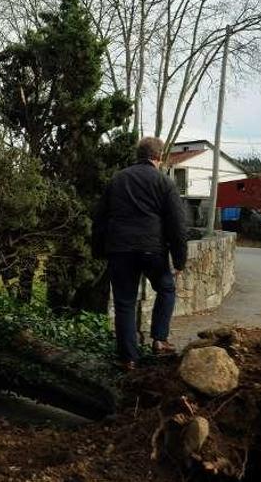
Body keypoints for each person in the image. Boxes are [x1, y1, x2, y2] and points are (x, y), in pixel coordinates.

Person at [93, 137, 188, 370]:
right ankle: (159, 339)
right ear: (159, 157)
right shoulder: (164, 182)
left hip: (120, 250)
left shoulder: (117, 179)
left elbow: (99, 218)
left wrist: (98, 251)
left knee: (125, 303)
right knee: (166, 289)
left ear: (138, 155)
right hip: (152, 249)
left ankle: (128, 358)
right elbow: (177, 224)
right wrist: (179, 260)